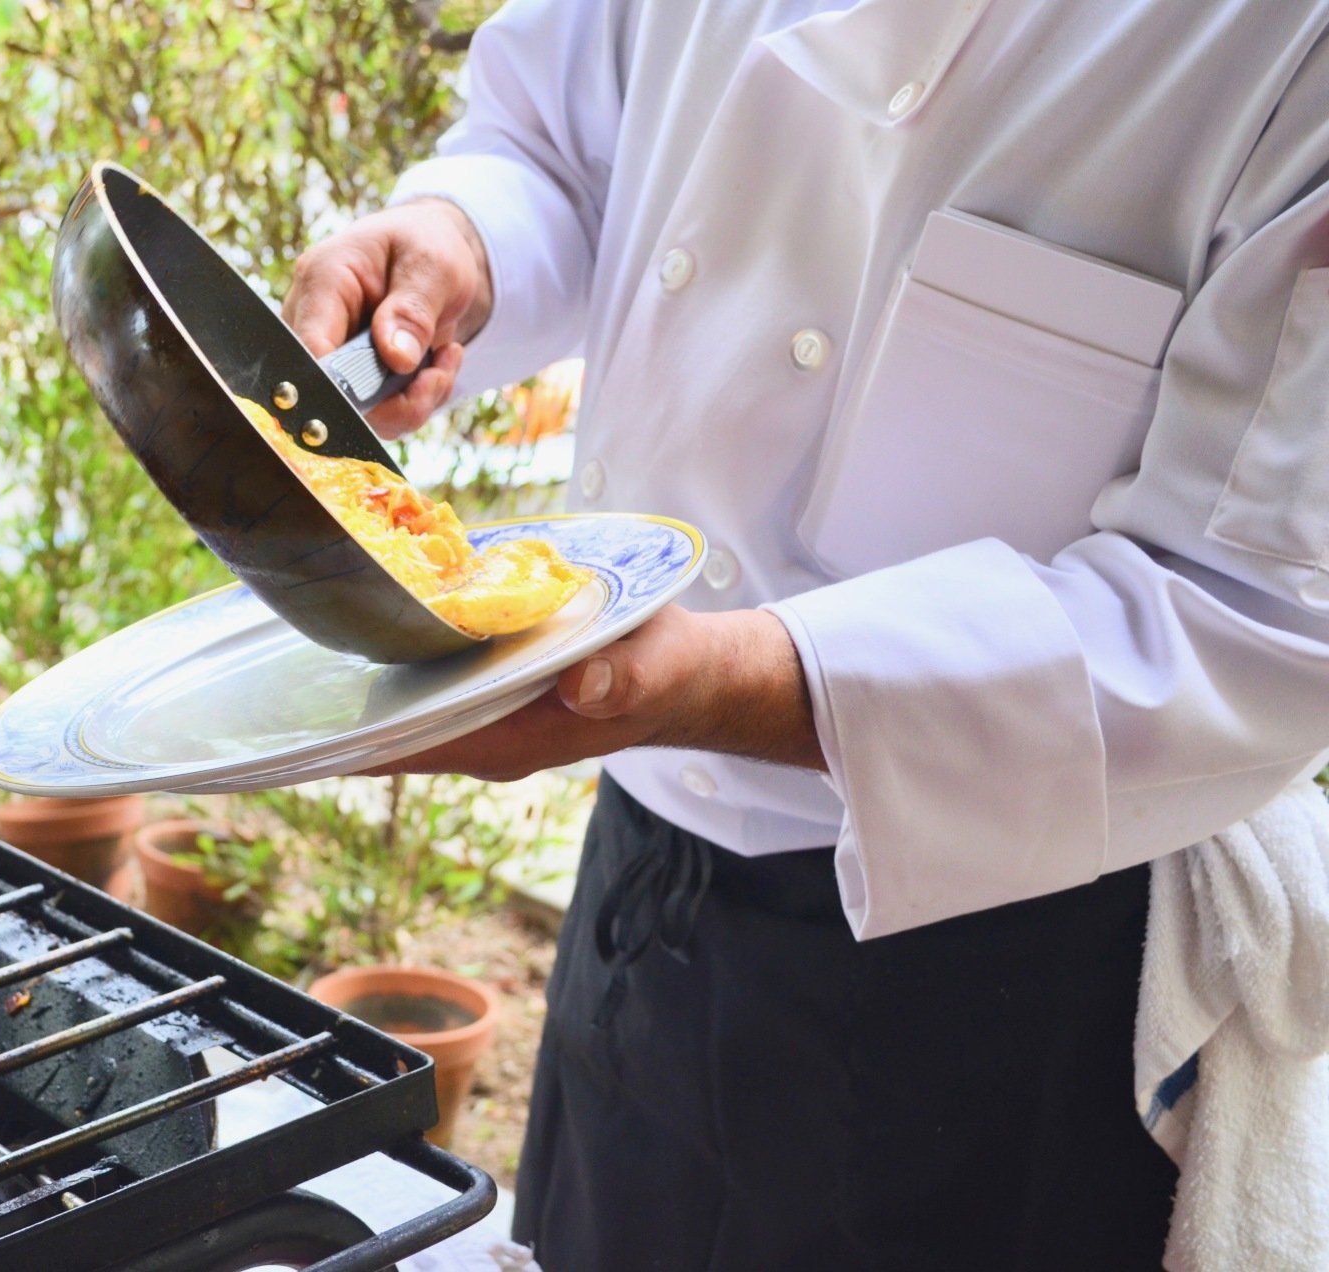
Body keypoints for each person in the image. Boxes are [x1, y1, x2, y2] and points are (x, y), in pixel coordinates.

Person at [281, 2, 1329, 1268]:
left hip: (1003, 967)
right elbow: (561, 146)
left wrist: (712, 682)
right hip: (642, 865)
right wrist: (460, 238)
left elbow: (1250, 612)